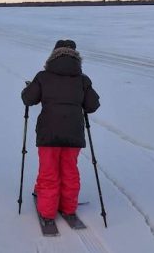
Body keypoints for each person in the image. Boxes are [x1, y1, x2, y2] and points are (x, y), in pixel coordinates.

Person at [21, 39, 100, 224]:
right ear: (76, 58)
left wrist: (27, 88)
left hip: (48, 134)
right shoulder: (83, 80)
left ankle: (48, 213)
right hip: (73, 134)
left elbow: (28, 99)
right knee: (70, 171)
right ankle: (68, 209)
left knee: (49, 171)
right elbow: (93, 105)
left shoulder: (43, 76)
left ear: (53, 56)